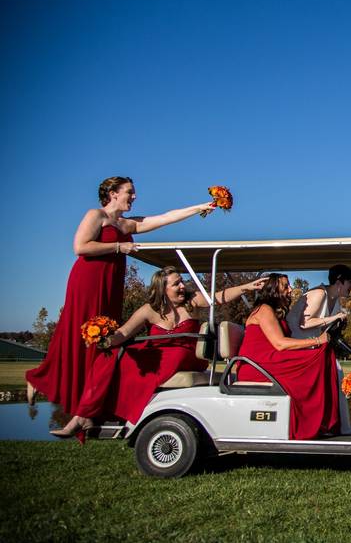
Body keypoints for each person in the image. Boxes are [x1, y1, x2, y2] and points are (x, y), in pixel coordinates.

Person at [26, 176, 215, 414]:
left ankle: (89, 402)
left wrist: (200, 207)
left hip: (112, 282)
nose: (134, 197)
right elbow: (80, 247)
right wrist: (118, 247)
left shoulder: (127, 224)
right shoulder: (96, 215)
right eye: (129, 192)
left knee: (104, 340)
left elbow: (166, 217)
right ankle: (40, 378)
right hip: (89, 279)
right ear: (113, 193)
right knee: (78, 332)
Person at [50, 268, 266, 439]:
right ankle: (83, 416)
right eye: (176, 284)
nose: (182, 286)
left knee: (173, 356)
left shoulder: (192, 302)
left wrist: (247, 286)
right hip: (156, 355)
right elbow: (124, 332)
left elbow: (219, 297)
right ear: (162, 289)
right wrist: (104, 339)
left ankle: (127, 413)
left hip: (185, 354)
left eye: (181, 282)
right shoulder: (149, 310)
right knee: (108, 358)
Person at [236, 273, 341, 439]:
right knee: (319, 355)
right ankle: (314, 422)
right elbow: (280, 343)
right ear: (273, 290)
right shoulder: (264, 310)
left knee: (323, 352)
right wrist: (316, 341)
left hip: (269, 360)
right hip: (258, 366)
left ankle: (321, 420)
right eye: (286, 286)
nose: (291, 290)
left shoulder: (274, 311)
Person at [286, 264, 351, 433]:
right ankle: (326, 425)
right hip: (299, 346)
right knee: (334, 371)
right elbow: (304, 323)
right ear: (339, 282)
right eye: (350, 282)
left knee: (337, 371)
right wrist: (334, 317)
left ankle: (338, 426)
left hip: (315, 345)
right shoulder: (319, 293)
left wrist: (338, 322)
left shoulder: (336, 300)